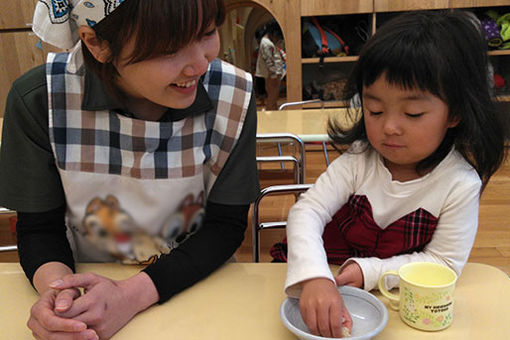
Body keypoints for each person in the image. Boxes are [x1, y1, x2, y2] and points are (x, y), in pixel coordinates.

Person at [0, 0, 259, 339]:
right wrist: (61, 298)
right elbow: (39, 229)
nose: (200, 63)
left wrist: (130, 295)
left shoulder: (233, 95)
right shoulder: (41, 100)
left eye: (207, 32)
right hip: (85, 288)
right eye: (169, 49)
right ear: (96, 43)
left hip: (197, 287)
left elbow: (225, 226)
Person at [282, 10, 506, 338]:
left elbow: (443, 265)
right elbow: (307, 211)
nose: (389, 127)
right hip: (326, 272)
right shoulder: (360, 160)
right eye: (374, 110)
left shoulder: (459, 183)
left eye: (413, 113)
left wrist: (369, 270)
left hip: (399, 303)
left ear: (455, 113)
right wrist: (314, 275)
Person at [255, 19, 284, 110]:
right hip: (272, 75)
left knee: (274, 97)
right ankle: (270, 114)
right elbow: (269, 61)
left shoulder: (267, 42)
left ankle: (274, 113)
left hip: (273, 74)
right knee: (272, 97)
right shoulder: (266, 43)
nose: (277, 39)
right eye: (277, 37)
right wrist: (274, 75)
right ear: (273, 34)